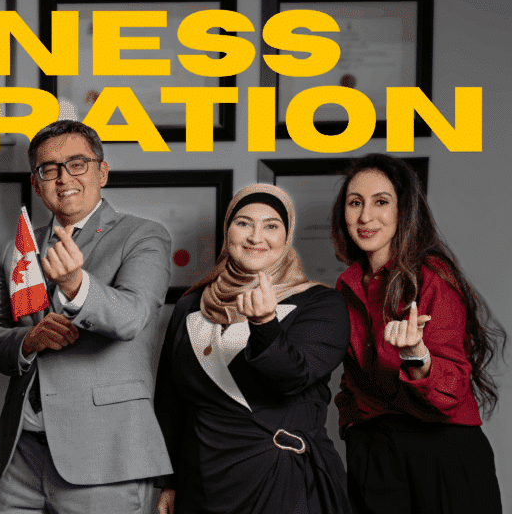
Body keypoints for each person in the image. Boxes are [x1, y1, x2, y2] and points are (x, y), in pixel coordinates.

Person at [0, 120, 172, 514]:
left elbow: (132, 316)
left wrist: (76, 284)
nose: (64, 178)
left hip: (105, 458)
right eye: (50, 169)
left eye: (77, 163)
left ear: (102, 171)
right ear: (36, 182)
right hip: (19, 456)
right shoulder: (18, 248)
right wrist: (29, 341)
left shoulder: (144, 236)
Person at [153, 183, 351, 514]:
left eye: (271, 225)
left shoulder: (322, 303)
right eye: (243, 222)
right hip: (201, 481)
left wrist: (264, 323)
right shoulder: (190, 305)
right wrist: (168, 483)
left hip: (281, 476)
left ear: (286, 237)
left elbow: (293, 377)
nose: (255, 237)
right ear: (228, 230)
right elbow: (171, 401)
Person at [330, 154, 504, 514]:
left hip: (440, 450)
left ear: (403, 210)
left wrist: (415, 355)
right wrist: (352, 426)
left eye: (381, 202)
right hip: (375, 454)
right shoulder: (345, 286)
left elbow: (451, 391)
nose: (365, 217)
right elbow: (352, 378)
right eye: (355, 202)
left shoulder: (432, 277)